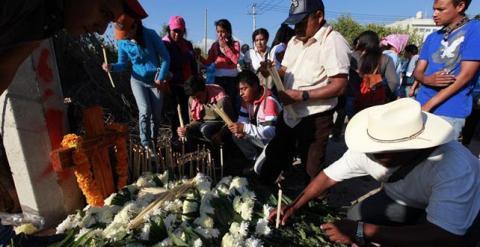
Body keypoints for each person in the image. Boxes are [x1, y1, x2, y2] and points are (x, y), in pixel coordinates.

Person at [270, 98, 480, 247]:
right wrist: (295, 205)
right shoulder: (371, 149)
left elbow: (446, 234)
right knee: (355, 217)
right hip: (405, 199)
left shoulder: (453, 167)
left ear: (412, 147)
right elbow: (327, 177)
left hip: (458, 220)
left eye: (384, 153)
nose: (374, 156)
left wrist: (361, 231)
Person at [255, 0, 350, 184]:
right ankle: (261, 195)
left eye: (301, 22)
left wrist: (303, 95)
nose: (297, 28)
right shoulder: (294, 41)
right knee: (276, 154)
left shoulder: (333, 41)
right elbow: (285, 70)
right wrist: (271, 72)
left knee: (312, 168)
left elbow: (340, 85)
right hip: (290, 113)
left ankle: (316, 205)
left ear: (319, 16)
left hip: (316, 116)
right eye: (294, 23)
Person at [0, 0, 147, 96]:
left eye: (109, 21)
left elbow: (6, 67)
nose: (101, 30)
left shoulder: (53, 17)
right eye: (104, 12)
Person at [414, 0, 480, 139]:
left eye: (441, 9)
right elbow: (418, 71)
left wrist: (429, 105)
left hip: (449, 111)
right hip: (421, 106)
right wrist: (427, 79)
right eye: (434, 9)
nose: (435, 14)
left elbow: (466, 75)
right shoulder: (432, 37)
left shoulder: (475, 30)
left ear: (460, 6)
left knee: (441, 158)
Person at [103, 14, 170, 148]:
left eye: (126, 33)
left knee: (156, 116)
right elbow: (122, 64)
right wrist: (111, 67)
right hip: (137, 80)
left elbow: (166, 58)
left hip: (155, 80)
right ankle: (146, 144)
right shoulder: (122, 42)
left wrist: (161, 78)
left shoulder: (150, 35)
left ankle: (153, 142)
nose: (125, 37)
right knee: (145, 110)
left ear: (134, 27)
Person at [227, 70, 281, 162]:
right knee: (236, 135)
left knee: (259, 170)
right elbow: (242, 120)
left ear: (255, 86)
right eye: (239, 90)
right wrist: (239, 129)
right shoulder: (246, 101)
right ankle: (254, 158)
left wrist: (244, 128)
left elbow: (271, 132)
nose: (241, 94)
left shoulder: (269, 102)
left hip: (276, 142)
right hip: (263, 139)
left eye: (244, 89)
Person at [162, 16, 198, 141]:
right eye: (174, 31)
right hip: (173, 84)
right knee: (175, 114)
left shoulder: (187, 44)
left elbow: (193, 64)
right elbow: (172, 62)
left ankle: (188, 139)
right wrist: (188, 56)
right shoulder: (165, 44)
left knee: (188, 112)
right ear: (169, 29)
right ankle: (176, 140)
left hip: (188, 85)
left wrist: (195, 79)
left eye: (180, 31)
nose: (177, 34)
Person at [198, 19, 241, 115]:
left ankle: (234, 122)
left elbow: (235, 60)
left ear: (228, 32)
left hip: (232, 79)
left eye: (222, 32)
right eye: (218, 32)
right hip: (218, 79)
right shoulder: (214, 46)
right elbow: (208, 62)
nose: (220, 35)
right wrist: (199, 57)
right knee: (221, 101)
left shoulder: (235, 44)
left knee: (231, 101)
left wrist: (225, 47)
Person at [352, 31, 399, 113]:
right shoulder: (385, 58)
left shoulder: (353, 57)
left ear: (362, 41)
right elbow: (394, 82)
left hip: (355, 100)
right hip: (377, 103)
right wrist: (385, 94)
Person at [177, 76, 235, 142]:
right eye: (194, 98)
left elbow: (231, 122)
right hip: (201, 124)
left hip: (218, 125)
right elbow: (194, 121)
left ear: (204, 90)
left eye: (198, 96)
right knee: (188, 132)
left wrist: (220, 134)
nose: (197, 100)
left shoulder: (221, 100)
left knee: (205, 129)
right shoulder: (192, 99)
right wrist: (186, 128)